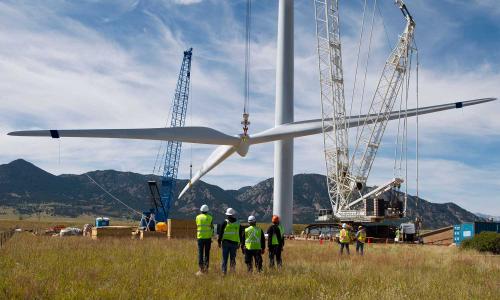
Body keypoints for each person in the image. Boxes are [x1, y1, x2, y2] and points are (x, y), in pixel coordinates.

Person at [218, 207, 243, 275]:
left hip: (225, 243)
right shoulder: (238, 223)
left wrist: (219, 242)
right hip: (234, 244)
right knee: (233, 259)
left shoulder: (224, 222)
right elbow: (240, 234)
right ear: (233, 214)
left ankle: (224, 272)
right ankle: (232, 271)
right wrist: (240, 243)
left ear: (227, 215)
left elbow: (221, 233)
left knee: (225, 258)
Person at [195, 204, 213, 275]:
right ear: (207, 211)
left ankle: (201, 269)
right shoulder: (210, 217)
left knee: (200, 253)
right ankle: (206, 268)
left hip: (200, 238)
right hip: (208, 238)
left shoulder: (197, 217)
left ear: (201, 210)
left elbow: (197, 225)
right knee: (207, 253)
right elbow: (212, 228)